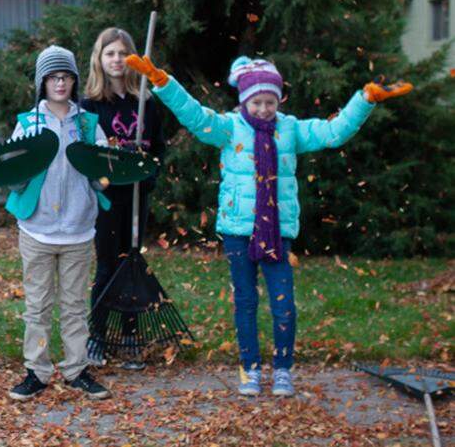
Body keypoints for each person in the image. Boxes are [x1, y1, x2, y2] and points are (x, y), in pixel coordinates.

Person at [126, 54, 412, 397]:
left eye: (270, 102)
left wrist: (365, 100)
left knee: (284, 303)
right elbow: (194, 115)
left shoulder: (290, 129)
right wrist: (163, 82)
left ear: (279, 100)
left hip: (276, 231)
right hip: (237, 230)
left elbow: (333, 132)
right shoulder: (229, 128)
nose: (263, 109)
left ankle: (283, 370)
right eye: (257, 102)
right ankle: (249, 369)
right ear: (244, 100)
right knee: (245, 301)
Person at [5, 46, 112, 402]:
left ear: (74, 81)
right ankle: (36, 370)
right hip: (38, 228)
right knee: (37, 304)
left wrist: (104, 177)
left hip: (79, 227)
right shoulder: (29, 123)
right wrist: (15, 176)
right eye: (53, 77)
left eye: (65, 76)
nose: (60, 83)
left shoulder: (87, 124)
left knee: (74, 304)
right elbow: (12, 166)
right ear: (42, 83)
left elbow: (103, 165)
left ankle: (77, 368)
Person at [80, 28, 165, 371]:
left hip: (137, 193)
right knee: (107, 264)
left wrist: (149, 175)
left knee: (131, 261)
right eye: (109, 53)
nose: (116, 60)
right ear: (99, 60)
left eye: (122, 54)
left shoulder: (146, 101)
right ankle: (97, 334)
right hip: (106, 197)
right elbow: (85, 153)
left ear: (134, 60)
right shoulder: (89, 106)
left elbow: (158, 148)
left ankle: (130, 336)